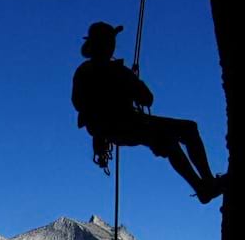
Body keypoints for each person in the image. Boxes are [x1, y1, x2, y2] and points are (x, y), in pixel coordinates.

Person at [72, 21, 224, 204]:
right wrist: (132, 82)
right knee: (187, 130)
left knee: (168, 139)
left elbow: (78, 103)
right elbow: (147, 98)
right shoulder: (118, 72)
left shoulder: (83, 72)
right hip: (129, 123)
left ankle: (203, 186)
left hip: (109, 129)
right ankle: (206, 183)